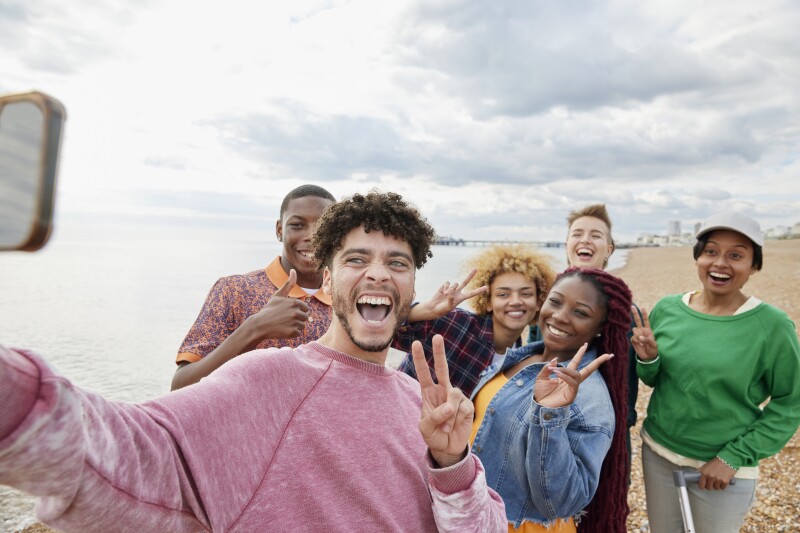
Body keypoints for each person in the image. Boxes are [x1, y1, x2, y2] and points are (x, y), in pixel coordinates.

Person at [0, 190, 507, 532]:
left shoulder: (425, 405)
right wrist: (17, 395)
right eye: (356, 259)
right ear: (327, 285)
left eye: (396, 263)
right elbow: (135, 452)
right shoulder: (268, 377)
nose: (378, 273)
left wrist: (453, 464)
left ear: (410, 288)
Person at [631, 211, 800, 533]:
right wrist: (649, 359)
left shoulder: (773, 326)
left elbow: (790, 403)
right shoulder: (668, 308)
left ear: (754, 266)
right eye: (711, 251)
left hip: (724, 469)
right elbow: (655, 379)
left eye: (736, 255)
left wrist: (733, 457)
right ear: (698, 258)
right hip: (658, 452)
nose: (720, 263)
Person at [470, 268, 632, 532]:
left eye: (580, 312)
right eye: (555, 302)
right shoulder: (520, 357)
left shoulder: (589, 398)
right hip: (475, 515)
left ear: (600, 328)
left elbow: (561, 502)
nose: (559, 316)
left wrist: (550, 416)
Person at [171, 184, 336, 390]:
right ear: (279, 230)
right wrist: (255, 328)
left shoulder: (348, 301)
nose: (311, 236)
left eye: (322, 226)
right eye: (297, 225)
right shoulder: (233, 291)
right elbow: (180, 387)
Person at [528, 203, 639, 466]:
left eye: (596, 235)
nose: (585, 240)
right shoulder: (547, 302)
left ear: (609, 249)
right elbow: (532, 354)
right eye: (577, 234)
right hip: (543, 416)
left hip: (604, 425)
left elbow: (628, 377)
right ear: (567, 244)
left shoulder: (624, 311)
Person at [395, 244, 557, 396]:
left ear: (539, 302)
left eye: (526, 294)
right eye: (503, 294)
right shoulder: (455, 322)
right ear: (487, 302)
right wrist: (425, 311)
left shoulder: (522, 362)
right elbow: (384, 332)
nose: (515, 301)